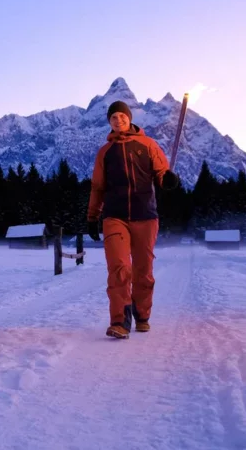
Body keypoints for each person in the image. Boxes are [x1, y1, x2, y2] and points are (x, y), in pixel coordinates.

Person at [87, 100, 180, 339]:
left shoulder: (147, 144)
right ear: (109, 122)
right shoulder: (104, 153)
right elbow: (97, 187)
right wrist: (92, 216)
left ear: (129, 118)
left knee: (143, 270)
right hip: (114, 216)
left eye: (121, 116)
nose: (118, 121)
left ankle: (142, 315)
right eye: (113, 118)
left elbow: (160, 172)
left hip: (145, 216)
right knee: (118, 267)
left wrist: (166, 180)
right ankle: (119, 321)